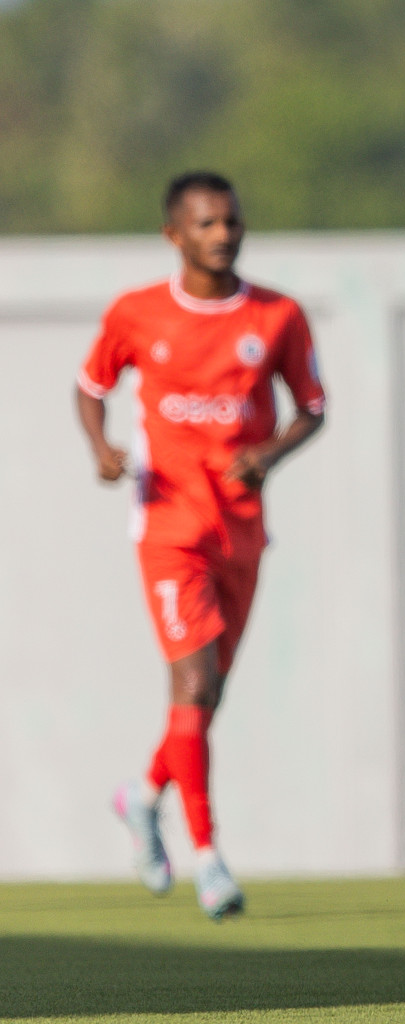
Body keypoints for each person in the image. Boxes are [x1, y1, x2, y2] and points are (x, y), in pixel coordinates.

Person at [76, 171, 326, 921]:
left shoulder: (277, 315)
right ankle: (209, 858)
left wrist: (270, 453)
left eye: (232, 221)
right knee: (194, 687)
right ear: (174, 235)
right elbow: (90, 386)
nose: (224, 233)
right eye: (208, 223)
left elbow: (312, 407)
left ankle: (141, 796)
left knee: (205, 695)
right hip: (168, 528)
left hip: (240, 528)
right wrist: (102, 449)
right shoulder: (137, 313)